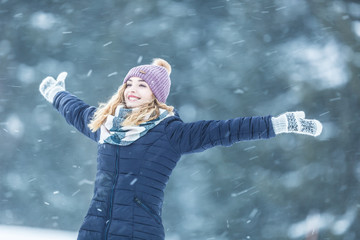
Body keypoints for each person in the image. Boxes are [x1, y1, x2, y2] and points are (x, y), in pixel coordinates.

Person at [39, 58, 322, 240]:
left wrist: (278, 124)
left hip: (140, 233)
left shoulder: (170, 133)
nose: (132, 89)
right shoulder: (104, 126)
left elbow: (225, 130)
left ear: (156, 96)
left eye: (142, 85)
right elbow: (73, 109)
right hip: (93, 231)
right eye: (129, 84)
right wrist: (54, 92)